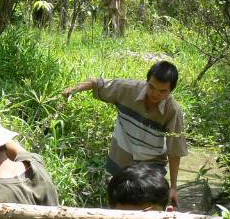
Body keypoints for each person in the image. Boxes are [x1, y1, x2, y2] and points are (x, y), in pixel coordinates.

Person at [61, 61, 188, 205]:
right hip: (120, 159)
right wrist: (74, 89)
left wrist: (174, 187)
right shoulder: (127, 89)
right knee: (118, 204)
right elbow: (97, 83)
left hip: (151, 167)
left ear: (171, 91)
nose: (155, 94)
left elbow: (174, 151)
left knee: (147, 204)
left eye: (162, 91)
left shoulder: (173, 111)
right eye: (151, 87)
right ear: (147, 81)